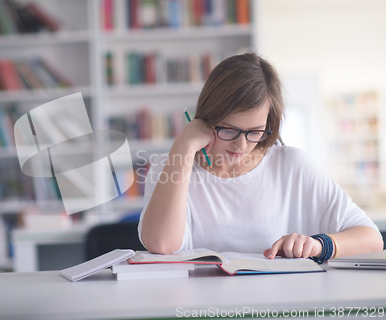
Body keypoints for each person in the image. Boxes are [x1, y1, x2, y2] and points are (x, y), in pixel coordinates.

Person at [138, 52, 383, 262]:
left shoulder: (292, 165)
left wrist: (319, 245)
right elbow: (161, 245)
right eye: (228, 129)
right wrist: (183, 147)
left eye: (254, 132)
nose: (240, 145)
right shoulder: (169, 167)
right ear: (206, 117)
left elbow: (372, 239)